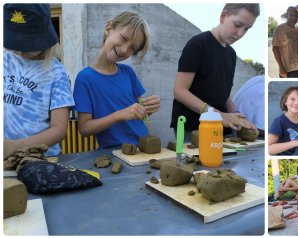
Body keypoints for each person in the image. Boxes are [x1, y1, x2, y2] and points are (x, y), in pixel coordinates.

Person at [170, 4, 260, 138]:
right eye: (237, 25)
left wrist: (239, 117)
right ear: (223, 16)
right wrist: (218, 115)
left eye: (246, 29)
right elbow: (179, 91)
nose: (240, 33)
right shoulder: (198, 44)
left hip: (221, 128)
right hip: (193, 128)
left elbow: (224, 93)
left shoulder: (231, 54)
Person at [73, 12, 160, 149]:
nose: (125, 49)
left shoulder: (128, 72)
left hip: (143, 148)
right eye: (124, 38)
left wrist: (148, 108)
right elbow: (84, 128)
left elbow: (138, 114)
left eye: (132, 48)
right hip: (115, 153)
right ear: (108, 29)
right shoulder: (85, 79)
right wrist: (119, 115)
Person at [3, 4, 75, 157]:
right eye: (15, 44)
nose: (21, 50)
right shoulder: (4, 61)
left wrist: (14, 147)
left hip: (40, 160)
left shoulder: (57, 73)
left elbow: (59, 129)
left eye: (27, 44)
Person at [271, 6, 298, 78]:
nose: (294, 17)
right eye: (292, 15)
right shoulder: (280, 29)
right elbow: (275, 49)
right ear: (287, 15)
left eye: (296, 15)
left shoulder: (297, 30)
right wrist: (281, 67)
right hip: (287, 70)